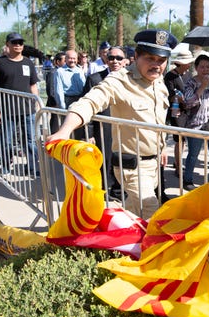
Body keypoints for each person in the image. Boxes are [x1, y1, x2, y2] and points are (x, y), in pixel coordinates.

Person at [46, 29, 178, 220]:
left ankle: (117, 245)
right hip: (132, 167)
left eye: (161, 60)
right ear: (137, 56)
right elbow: (89, 102)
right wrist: (64, 131)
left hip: (154, 164)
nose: (156, 65)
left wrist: (162, 147)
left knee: (132, 215)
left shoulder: (159, 82)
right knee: (151, 211)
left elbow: (156, 120)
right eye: (150, 58)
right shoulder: (120, 80)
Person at [0, 32, 40, 176]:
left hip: (27, 109)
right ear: (8, 45)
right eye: (14, 42)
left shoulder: (28, 63)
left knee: (30, 141)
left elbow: (33, 86)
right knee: (6, 141)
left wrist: (37, 104)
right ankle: (6, 166)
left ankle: (32, 167)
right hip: (7, 110)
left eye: (20, 42)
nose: (18, 45)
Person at [85, 46, 125, 199]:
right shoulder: (94, 79)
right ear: (106, 60)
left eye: (119, 58)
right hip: (103, 129)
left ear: (125, 61)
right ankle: (103, 193)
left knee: (122, 160)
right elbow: (87, 106)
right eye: (111, 58)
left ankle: (118, 190)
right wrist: (89, 133)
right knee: (105, 161)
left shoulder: (131, 79)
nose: (115, 61)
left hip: (125, 129)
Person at [182, 54, 209, 191]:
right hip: (195, 125)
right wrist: (202, 87)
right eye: (202, 67)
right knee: (193, 154)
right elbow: (188, 102)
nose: (205, 69)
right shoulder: (190, 83)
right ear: (196, 68)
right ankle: (187, 180)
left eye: (208, 67)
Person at [163, 49, 195, 173]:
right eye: (188, 63)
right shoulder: (170, 76)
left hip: (187, 110)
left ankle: (179, 162)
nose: (189, 65)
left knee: (184, 139)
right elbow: (169, 95)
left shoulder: (188, 75)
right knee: (179, 139)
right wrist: (179, 98)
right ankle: (177, 165)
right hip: (176, 111)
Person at [45, 52, 66, 133]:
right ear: (58, 62)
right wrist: (55, 102)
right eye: (64, 60)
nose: (66, 62)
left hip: (61, 104)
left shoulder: (63, 72)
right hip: (55, 105)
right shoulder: (53, 72)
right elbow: (51, 89)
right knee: (56, 126)